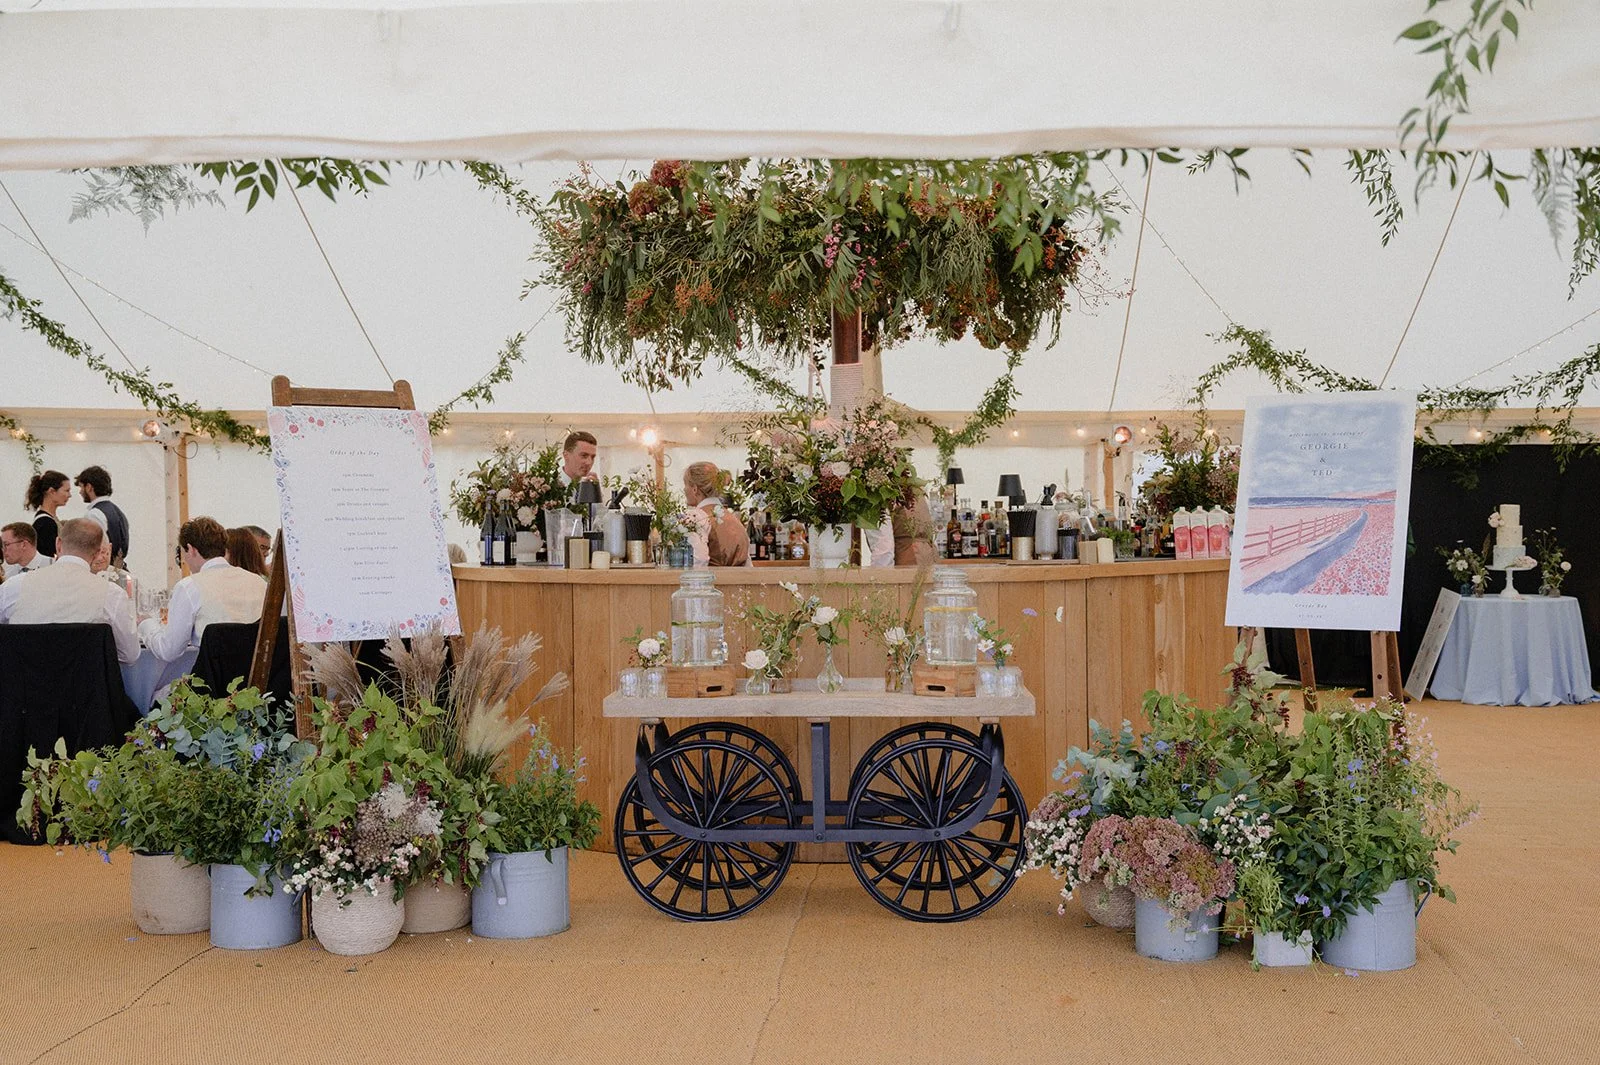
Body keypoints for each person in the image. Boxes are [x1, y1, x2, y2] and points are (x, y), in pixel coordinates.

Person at [0, 519, 139, 664]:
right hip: (87, 684)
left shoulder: (14, 586)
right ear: (98, 552)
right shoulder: (111, 594)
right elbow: (130, 655)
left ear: (58, 544)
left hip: (22, 683)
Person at [138, 516, 267, 663]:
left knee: (162, 686)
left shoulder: (189, 587)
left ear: (191, 550)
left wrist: (146, 624)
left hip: (213, 681)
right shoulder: (258, 582)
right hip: (258, 679)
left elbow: (169, 651)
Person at [682, 462, 750, 567]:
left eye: (685, 485)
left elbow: (698, 561)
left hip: (712, 581)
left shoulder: (696, 517)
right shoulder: (735, 520)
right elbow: (747, 564)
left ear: (695, 489)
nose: (684, 490)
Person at [74, 465, 130, 566]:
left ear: (89, 487)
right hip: (118, 567)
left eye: (81, 487)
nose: (80, 492)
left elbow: (94, 548)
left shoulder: (94, 514)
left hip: (102, 569)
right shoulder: (118, 511)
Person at [24, 469, 70, 559]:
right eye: (66, 490)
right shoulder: (45, 523)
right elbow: (48, 556)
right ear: (52, 491)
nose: (69, 495)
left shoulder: (50, 519)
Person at [557, 430, 599, 500]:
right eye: (584, 456)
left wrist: (596, 494)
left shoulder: (590, 486)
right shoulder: (549, 485)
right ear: (566, 455)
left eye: (592, 457)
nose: (589, 462)